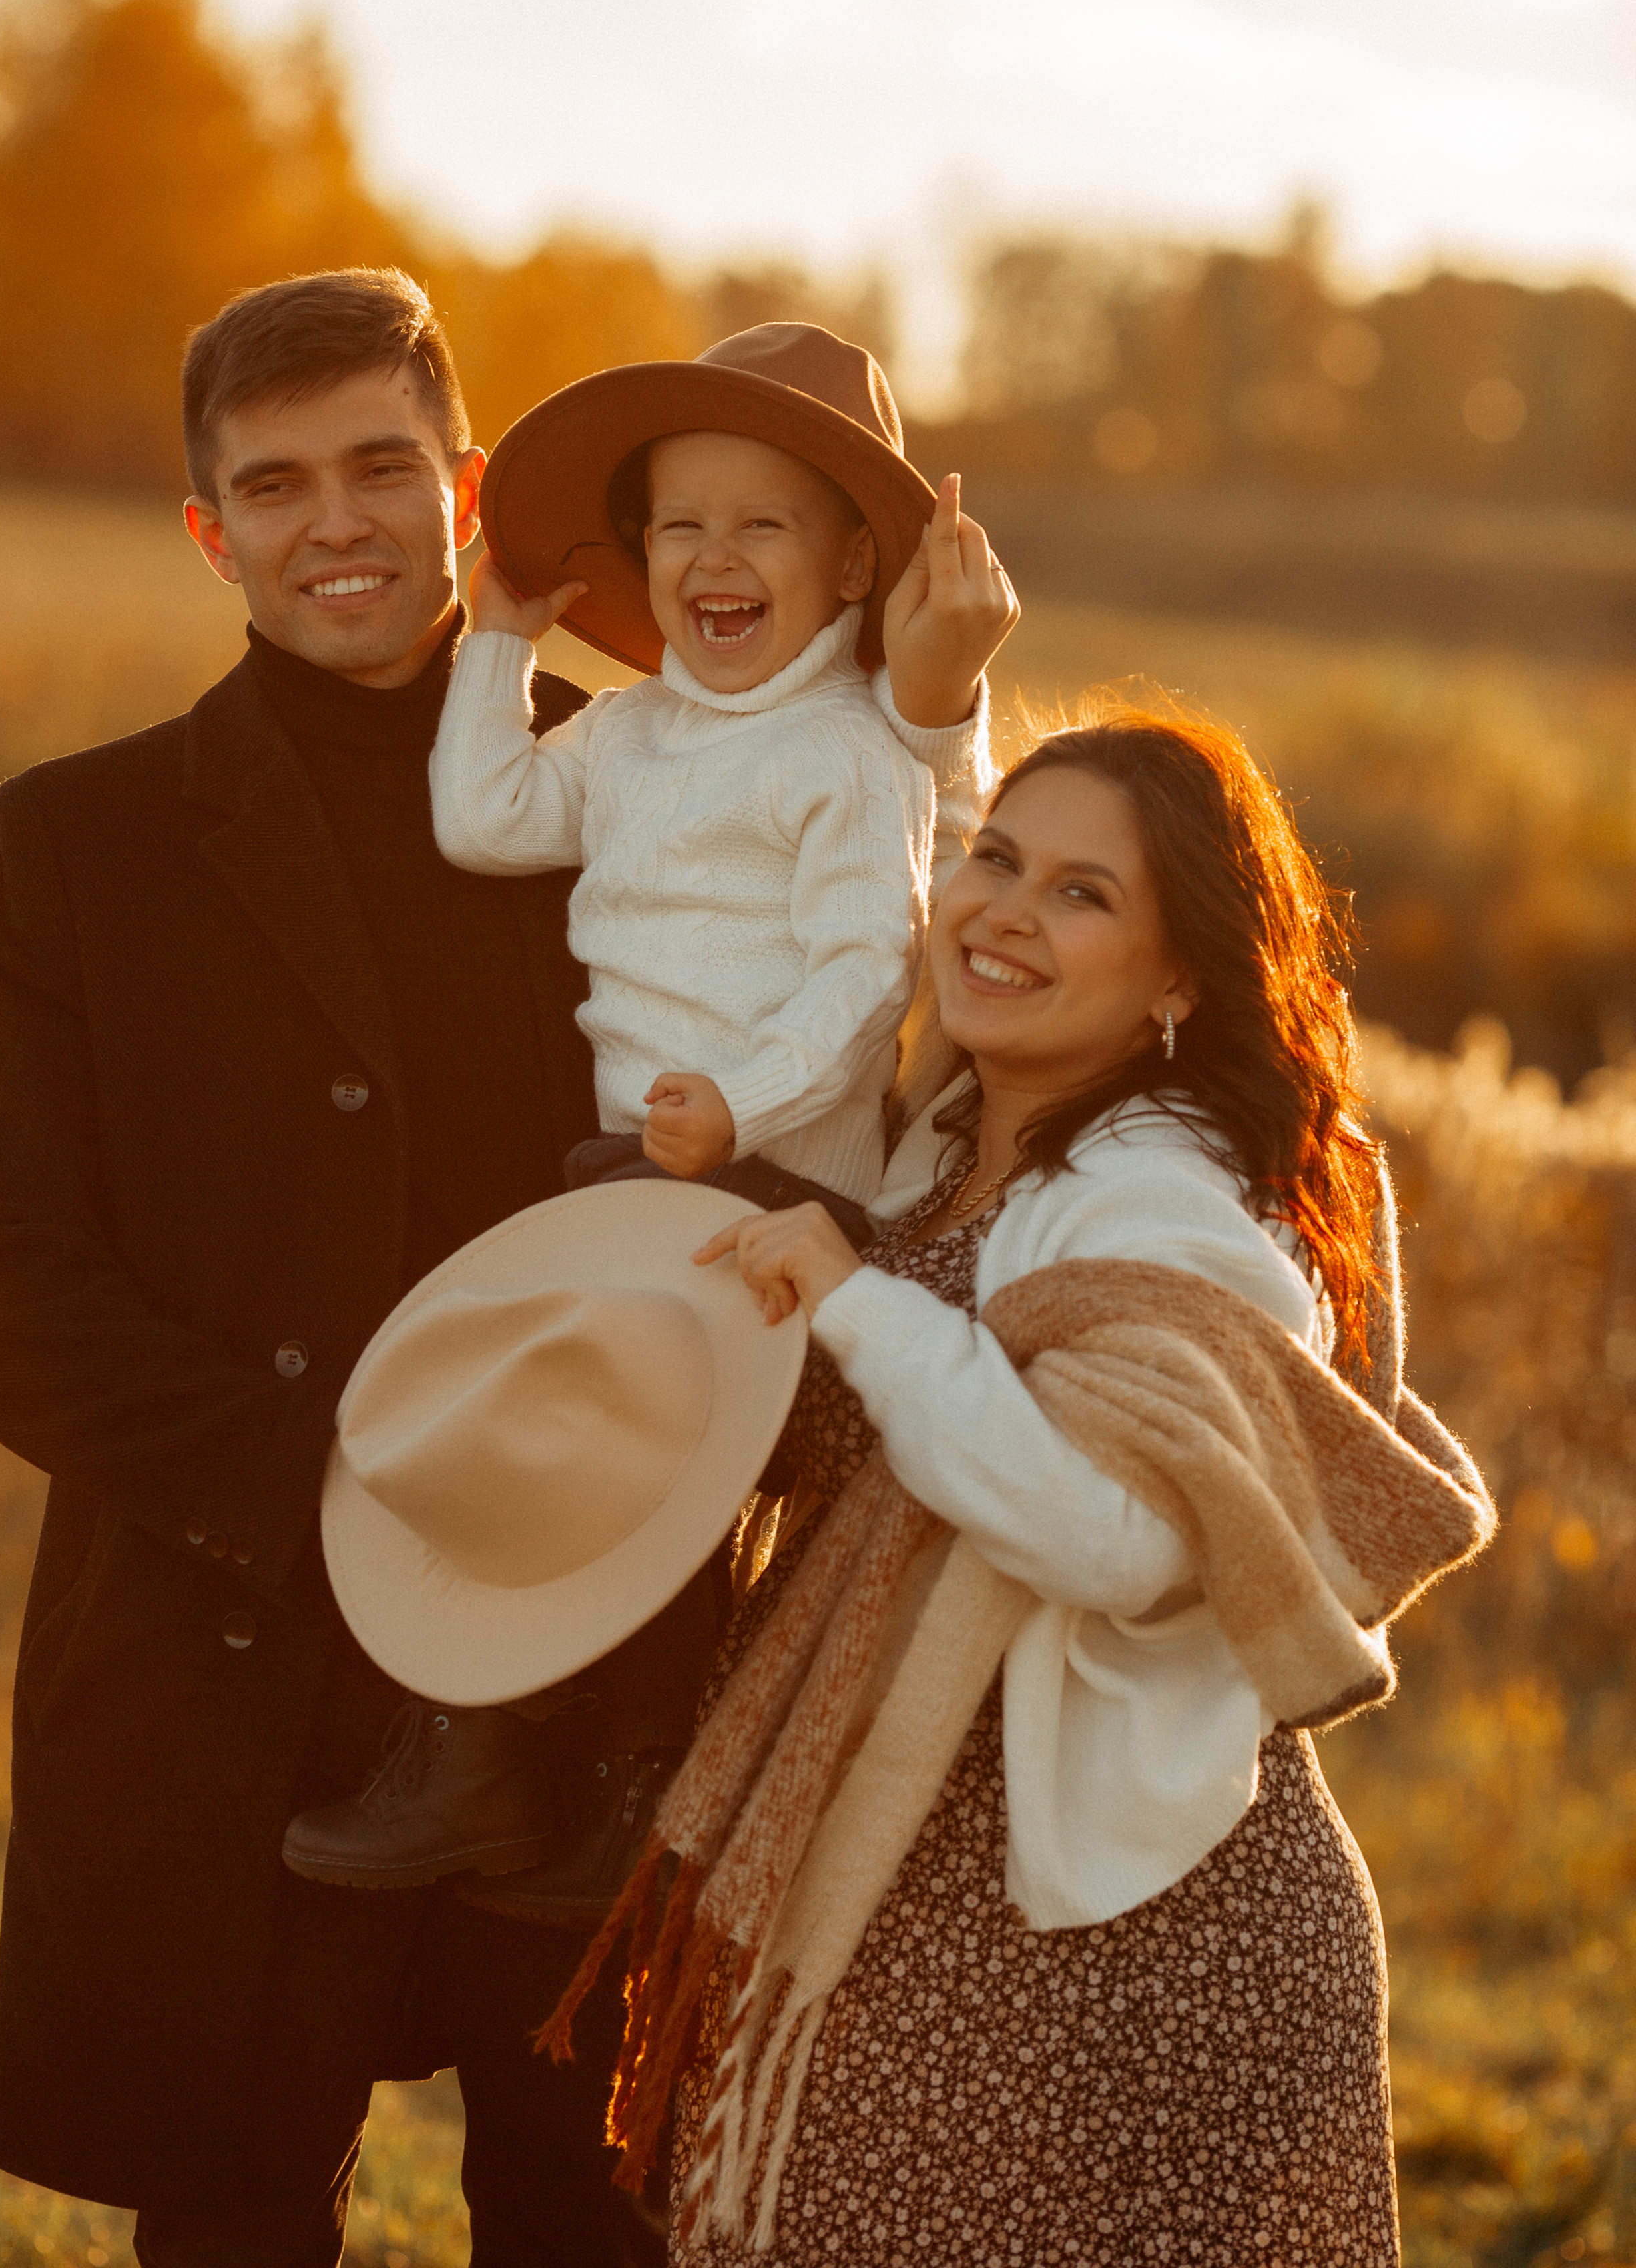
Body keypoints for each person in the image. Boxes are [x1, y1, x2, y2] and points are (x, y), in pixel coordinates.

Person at [0, 266, 1010, 2268]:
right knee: (233, 2228)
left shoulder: (668, 781)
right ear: (209, 530)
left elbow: (936, 1023)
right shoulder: (84, 845)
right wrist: (308, 1482)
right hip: (223, 1653)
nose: (331, 521)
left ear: (472, 485)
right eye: (272, 486)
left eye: (378, 466)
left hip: (618, 1663)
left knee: (593, 2223)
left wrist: (940, 711)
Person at [553, 703, 1496, 2265]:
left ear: (1180, 977)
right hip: (922, 1878)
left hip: (1117, 1938)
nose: (1003, 909)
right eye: (997, 858)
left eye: (1084, 894)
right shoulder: (949, 1148)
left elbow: (1115, 1539)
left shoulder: (1166, 1198)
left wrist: (857, 1304)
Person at [286, 320, 1016, 1908]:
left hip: (764, 1162)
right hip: (635, 1157)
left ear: (847, 572)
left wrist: (737, 1109)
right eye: (679, 525)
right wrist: (494, 641)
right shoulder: (623, 738)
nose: (713, 556)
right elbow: (484, 823)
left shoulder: (848, 756)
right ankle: (485, 1746)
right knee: (544, 1402)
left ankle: (630, 1790)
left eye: (762, 524)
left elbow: (865, 969)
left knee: (653, 1450)